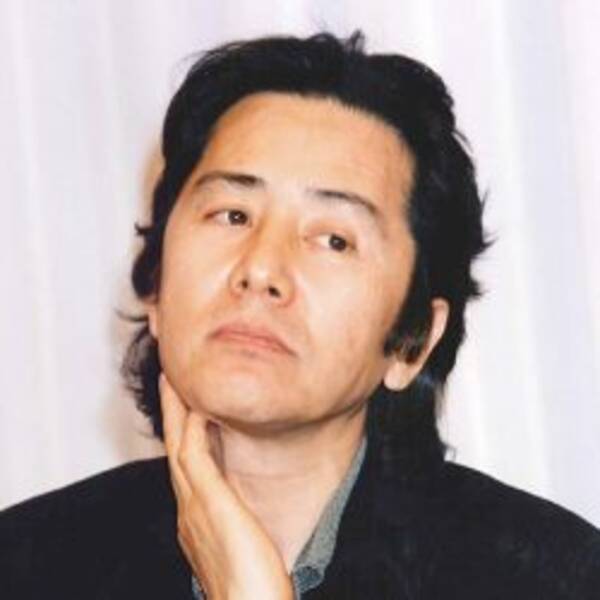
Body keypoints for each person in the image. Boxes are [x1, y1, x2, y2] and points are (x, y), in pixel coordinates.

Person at [1, 30, 599, 599]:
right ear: (155, 283)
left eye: (334, 240)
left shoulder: (554, 578)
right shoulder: (26, 565)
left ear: (412, 340)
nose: (260, 268)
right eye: (233, 215)